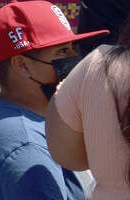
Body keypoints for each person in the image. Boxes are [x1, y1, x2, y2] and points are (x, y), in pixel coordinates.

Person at [0, 1, 103, 200]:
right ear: (22, 66)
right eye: (62, 51)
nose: (75, 59)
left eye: (72, 48)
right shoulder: (28, 150)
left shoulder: (27, 113)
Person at [47, 23, 130, 198]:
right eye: (63, 50)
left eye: (72, 48)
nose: (72, 55)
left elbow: (69, 156)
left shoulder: (97, 64)